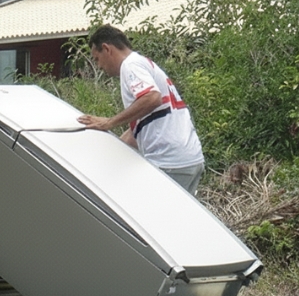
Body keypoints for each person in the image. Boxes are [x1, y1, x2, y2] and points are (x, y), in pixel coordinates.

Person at [77, 25, 205, 194]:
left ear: (107, 49)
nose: (98, 66)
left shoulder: (130, 66)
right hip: (189, 159)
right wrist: (108, 152)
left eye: (97, 59)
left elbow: (152, 97)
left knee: (152, 216)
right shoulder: (142, 64)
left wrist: (108, 123)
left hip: (169, 161)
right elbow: (140, 127)